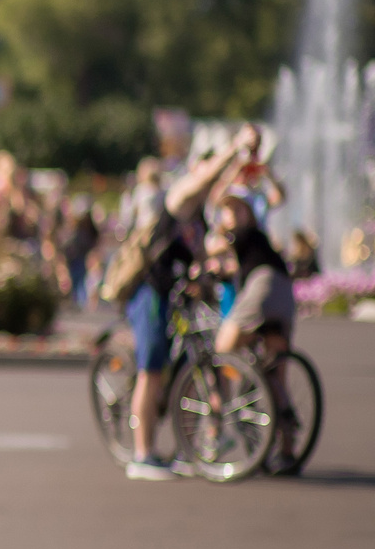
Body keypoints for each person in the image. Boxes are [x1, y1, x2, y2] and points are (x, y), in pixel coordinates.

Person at [111, 137, 254, 480]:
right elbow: (205, 178)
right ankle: (142, 455)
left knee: (193, 361)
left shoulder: (200, 215)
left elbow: (200, 249)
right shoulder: (178, 199)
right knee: (152, 367)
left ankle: (185, 450)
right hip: (149, 291)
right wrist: (235, 145)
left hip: (175, 294)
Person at [210, 196, 302, 472]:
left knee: (221, 348)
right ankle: (287, 446)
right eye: (227, 210)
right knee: (275, 371)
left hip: (265, 287)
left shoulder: (244, 235)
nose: (232, 216)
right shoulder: (255, 242)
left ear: (250, 214)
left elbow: (215, 252)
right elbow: (230, 267)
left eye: (237, 209)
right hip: (284, 294)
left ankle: (217, 425)